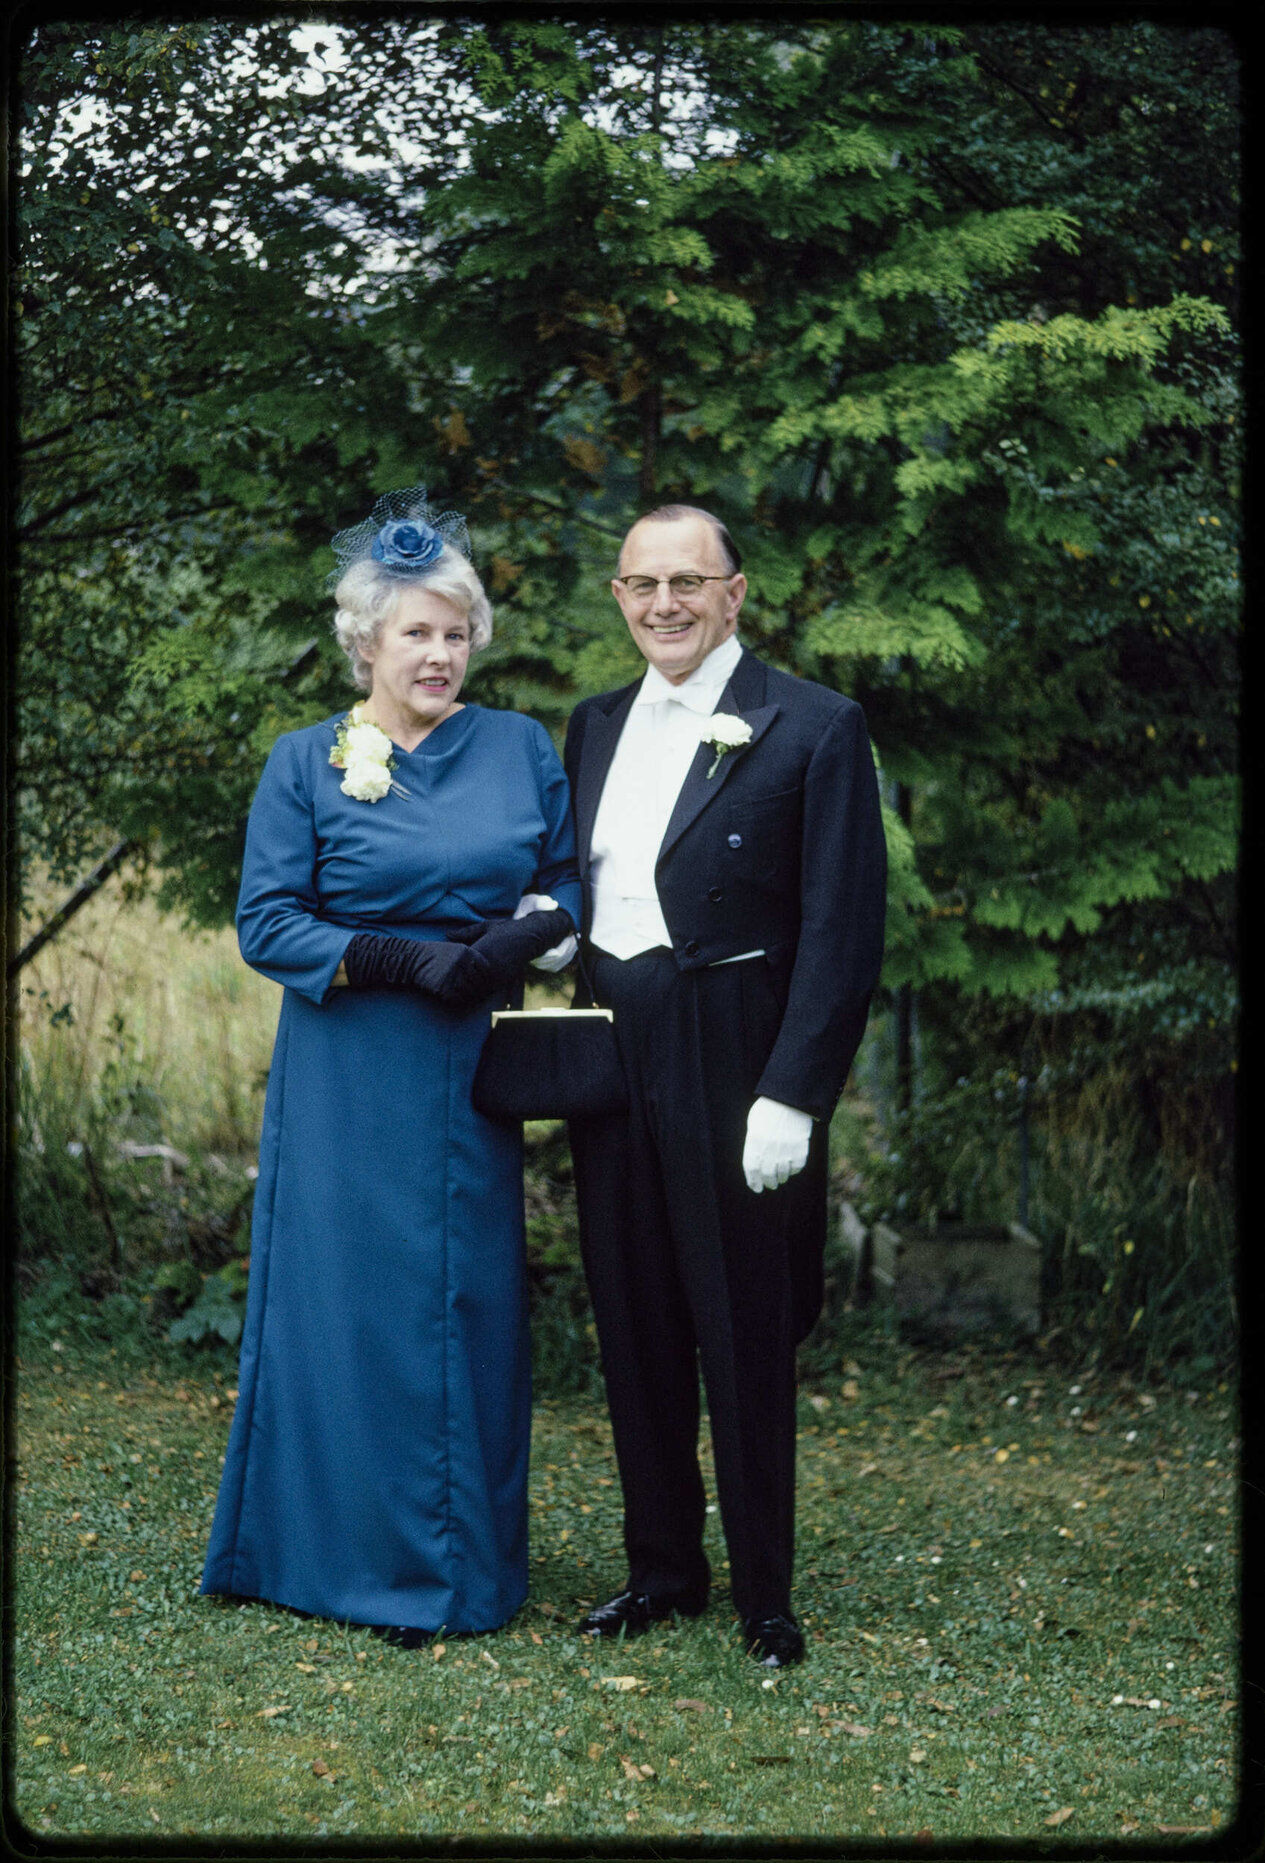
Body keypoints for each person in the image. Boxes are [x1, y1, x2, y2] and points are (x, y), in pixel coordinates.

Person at [201, 487, 580, 1643]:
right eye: (416, 631)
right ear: (364, 642)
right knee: (345, 1302)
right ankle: (326, 1556)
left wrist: (508, 945)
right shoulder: (303, 761)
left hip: (475, 1068)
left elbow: (568, 883)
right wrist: (400, 962)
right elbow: (266, 922)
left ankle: (460, 1569)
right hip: (348, 1067)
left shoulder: (518, 745)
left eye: (456, 633)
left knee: (463, 1303)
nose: (440, 653)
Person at [564, 504, 886, 1667]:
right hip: (613, 1046)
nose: (664, 604)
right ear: (618, 596)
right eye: (642, 584)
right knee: (634, 1317)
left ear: (734, 593)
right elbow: (582, 881)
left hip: (737, 1052)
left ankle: (763, 1594)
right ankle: (660, 1570)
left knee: (742, 1327)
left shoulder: (812, 725)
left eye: (687, 583)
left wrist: (793, 1094)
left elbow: (842, 933)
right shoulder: (592, 724)